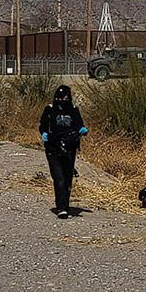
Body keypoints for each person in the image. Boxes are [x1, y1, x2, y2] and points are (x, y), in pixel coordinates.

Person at [39, 85, 87, 219]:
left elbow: (79, 124)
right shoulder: (49, 109)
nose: (63, 99)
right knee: (58, 177)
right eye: (60, 97)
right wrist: (44, 134)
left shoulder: (73, 110)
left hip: (69, 148)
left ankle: (65, 205)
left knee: (67, 177)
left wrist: (82, 130)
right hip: (53, 147)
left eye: (65, 97)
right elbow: (43, 124)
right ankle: (61, 207)